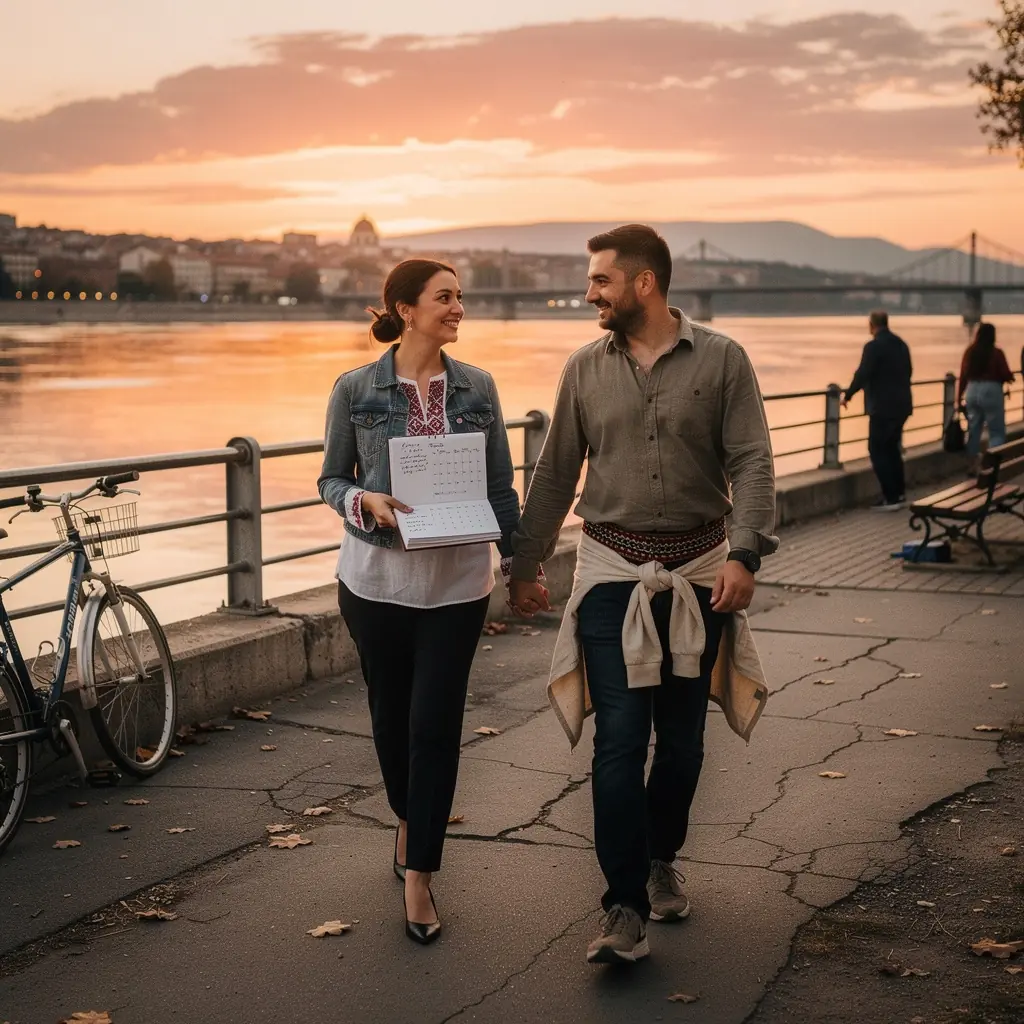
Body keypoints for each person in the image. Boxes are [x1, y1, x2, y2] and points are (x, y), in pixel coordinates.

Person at [508, 224, 775, 965]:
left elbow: (752, 462)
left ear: (644, 283)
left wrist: (745, 554)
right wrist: (525, 564)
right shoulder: (582, 369)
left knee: (682, 746)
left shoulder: (723, 359)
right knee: (620, 742)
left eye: (601, 280)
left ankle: (661, 858)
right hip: (610, 575)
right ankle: (623, 905)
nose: (589, 293)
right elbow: (556, 473)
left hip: (700, 576)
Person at [318, 259, 535, 945]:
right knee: (391, 721)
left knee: (435, 726)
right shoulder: (355, 388)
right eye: (445, 297)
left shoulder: (479, 387)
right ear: (406, 309)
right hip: (375, 584)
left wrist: (518, 567)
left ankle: (420, 874)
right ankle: (410, 820)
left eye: (460, 296)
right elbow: (331, 479)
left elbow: (500, 487)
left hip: (457, 587)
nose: (459, 307)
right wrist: (364, 500)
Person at [841, 311, 913, 511]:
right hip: (902, 406)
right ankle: (899, 494)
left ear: (871, 325)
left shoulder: (873, 347)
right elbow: (909, 371)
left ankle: (890, 497)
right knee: (892, 449)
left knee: (877, 450)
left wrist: (848, 395)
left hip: (882, 407)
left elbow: (863, 373)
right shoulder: (901, 344)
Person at [957, 321, 1015, 472]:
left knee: (973, 430)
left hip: (972, 390)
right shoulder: (996, 353)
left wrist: (958, 398)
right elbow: (1005, 373)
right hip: (991, 390)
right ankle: (990, 465)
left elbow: (963, 376)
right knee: (996, 431)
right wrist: (1009, 377)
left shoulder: (970, 352)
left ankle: (972, 465)